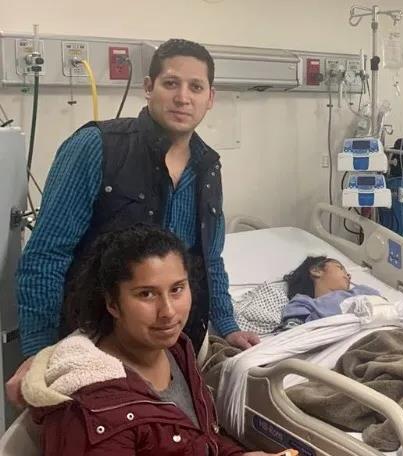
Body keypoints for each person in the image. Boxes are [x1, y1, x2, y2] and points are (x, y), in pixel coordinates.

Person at [9, 38, 258, 406]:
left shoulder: (208, 167)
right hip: (97, 343)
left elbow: (209, 260)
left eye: (195, 87)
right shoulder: (96, 147)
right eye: (171, 83)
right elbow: (47, 255)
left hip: (174, 345)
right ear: (148, 87)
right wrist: (41, 351)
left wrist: (229, 325)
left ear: (210, 98)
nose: (183, 97)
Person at [21, 224, 282, 455]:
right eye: (146, 294)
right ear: (112, 303)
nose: (168, 312)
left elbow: (200, 438)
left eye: (177, 289)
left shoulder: (177, 349)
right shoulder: (93, 411)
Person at [280, 256, 381, 327]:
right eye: (341, 268)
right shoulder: (304, 302)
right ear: (316, 271)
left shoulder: (361, 291)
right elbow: (293, 331)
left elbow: (384, 307)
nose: (349, 275)